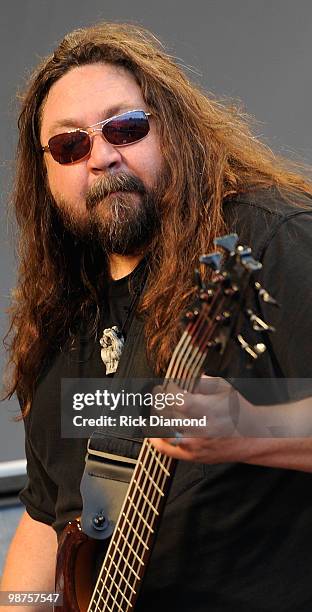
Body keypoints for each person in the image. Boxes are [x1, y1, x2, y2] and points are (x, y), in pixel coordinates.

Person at [2, 21, 312, 612]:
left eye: (124, 127)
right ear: (44, 175)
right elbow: (46, 526)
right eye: (69, 146)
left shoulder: (265, 241)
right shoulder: (61, 320)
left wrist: (250, 429)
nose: (101, 156)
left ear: (169, 130)